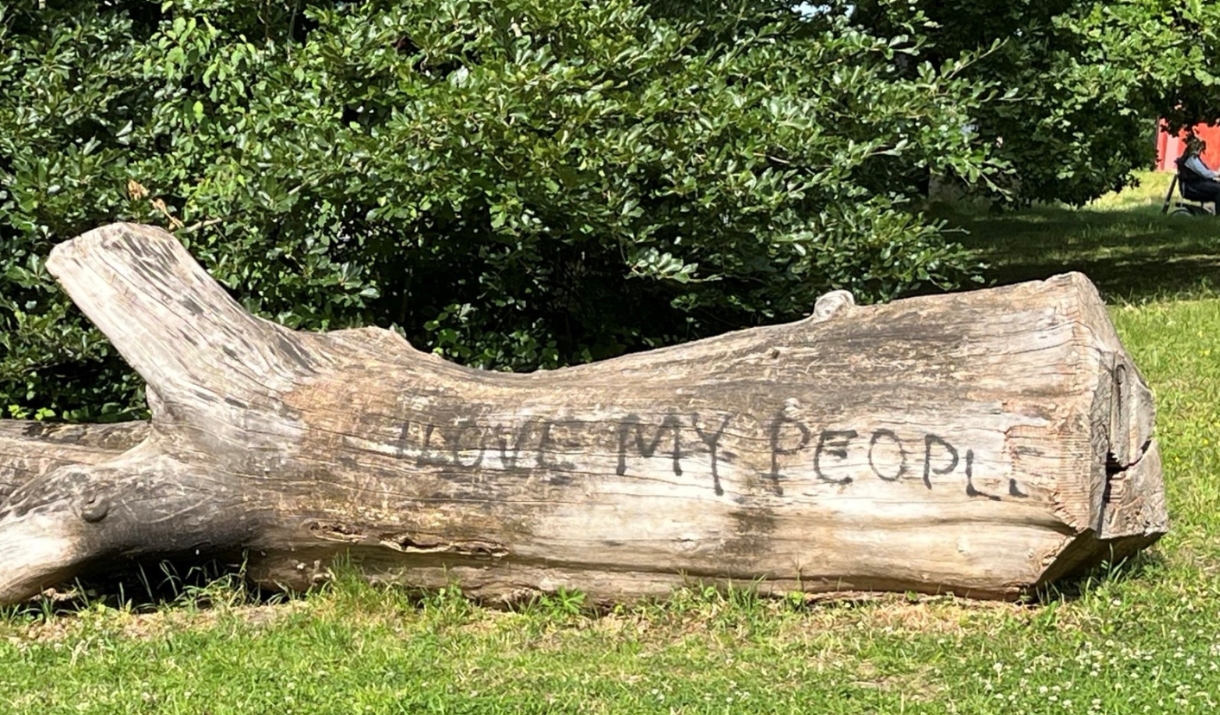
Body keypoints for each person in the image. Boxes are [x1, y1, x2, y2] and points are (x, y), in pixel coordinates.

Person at [1179, 136, 1220, 207]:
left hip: (1193, 185)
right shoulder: (1192, 159)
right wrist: (1218, 174)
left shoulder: (1190, 158)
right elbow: (1205, 173)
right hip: (1192, 187)